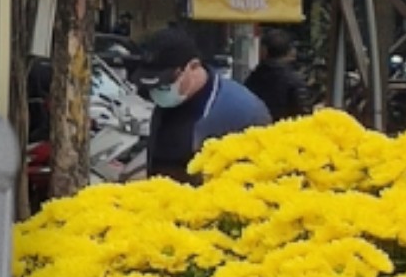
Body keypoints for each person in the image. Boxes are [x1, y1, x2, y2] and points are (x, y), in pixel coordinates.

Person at [131, 22, 269, 173]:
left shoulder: (243, 111)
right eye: (153, 86)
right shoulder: (168, 102)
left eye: (166, 83)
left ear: (194, 66)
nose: (157, 91)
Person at [244, 25, 312, 121]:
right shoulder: (295, 81)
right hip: (284, 128)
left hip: (258, 127)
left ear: (264, 51)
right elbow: (304, 116)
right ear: (291, 52)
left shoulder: (254, 77)